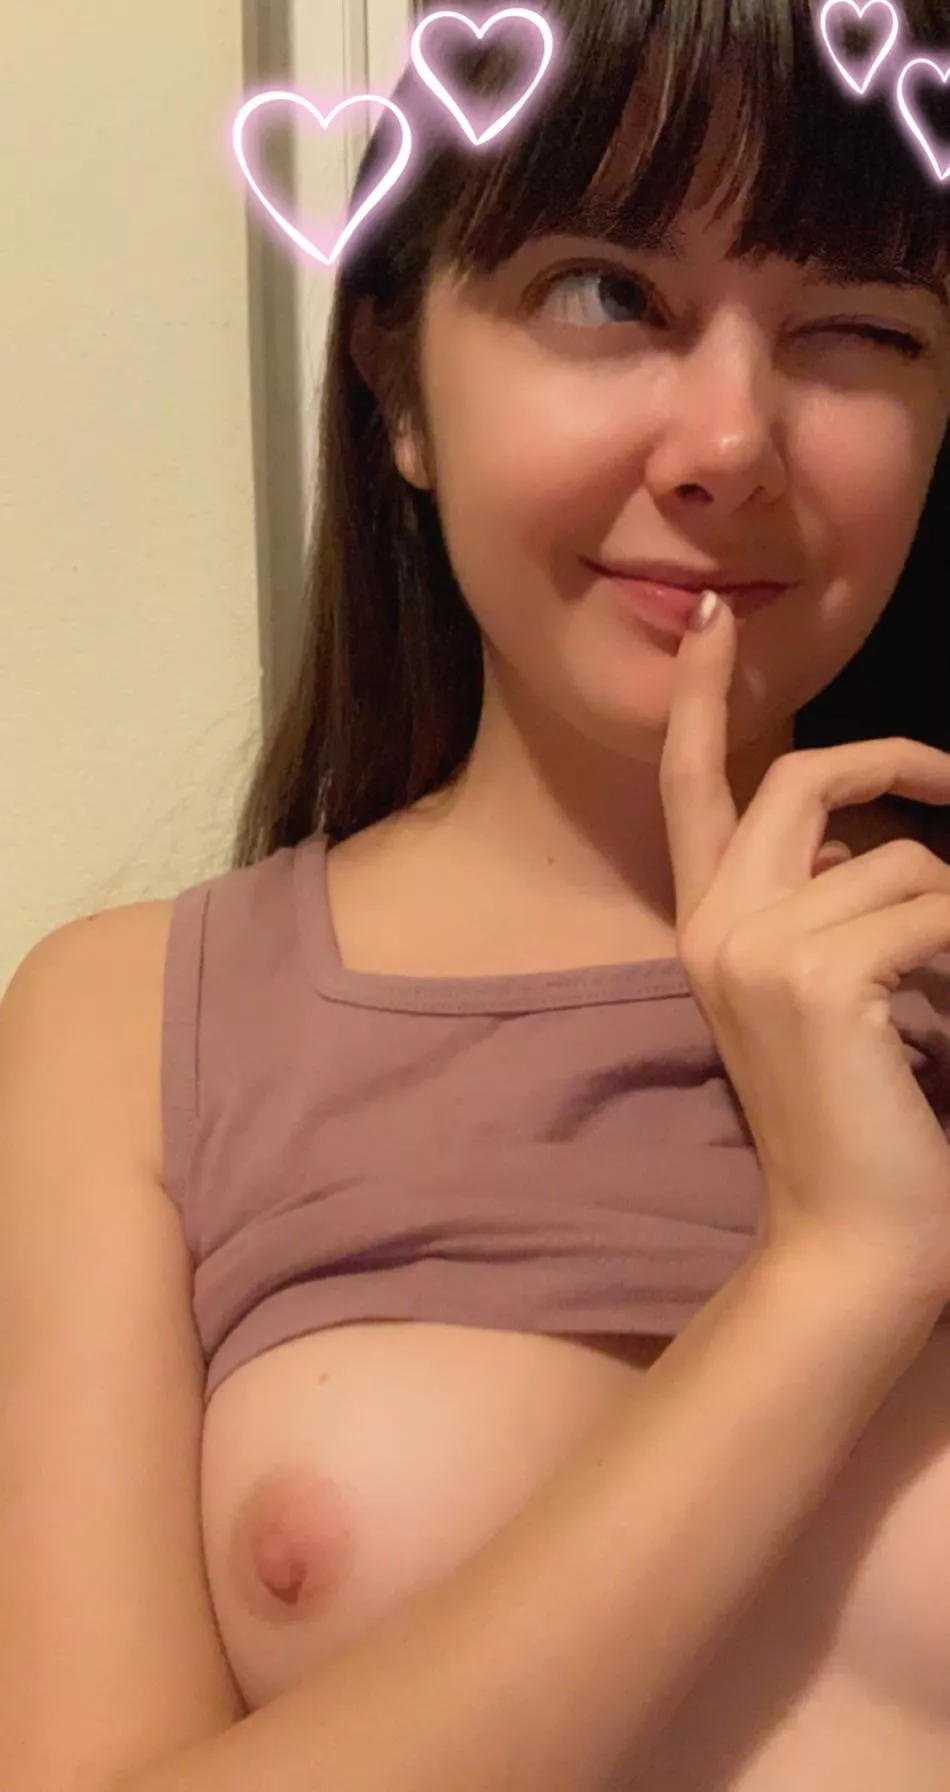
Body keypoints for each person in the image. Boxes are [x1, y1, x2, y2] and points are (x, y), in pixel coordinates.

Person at [5, 3, 950, 1791]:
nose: (727, 441)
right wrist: (829, 1280)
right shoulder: (131, 1024)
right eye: (606, 293)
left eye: (857, 328)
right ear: (396, 381)